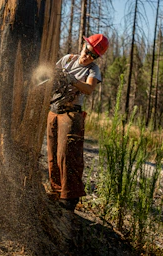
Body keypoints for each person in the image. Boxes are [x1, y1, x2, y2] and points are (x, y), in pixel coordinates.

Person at [46, 34, 109, 211]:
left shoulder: (92, 70)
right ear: (84, 45)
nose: (88, 56)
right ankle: (56, 190)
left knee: (67, 156)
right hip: (54, 110)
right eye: (88, 51)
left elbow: (89, 89)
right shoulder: (68, 59)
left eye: (94, 55)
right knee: (52, 155)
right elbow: (51, 74)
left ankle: (69, 198)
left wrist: (72, 80)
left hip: (71, 114)